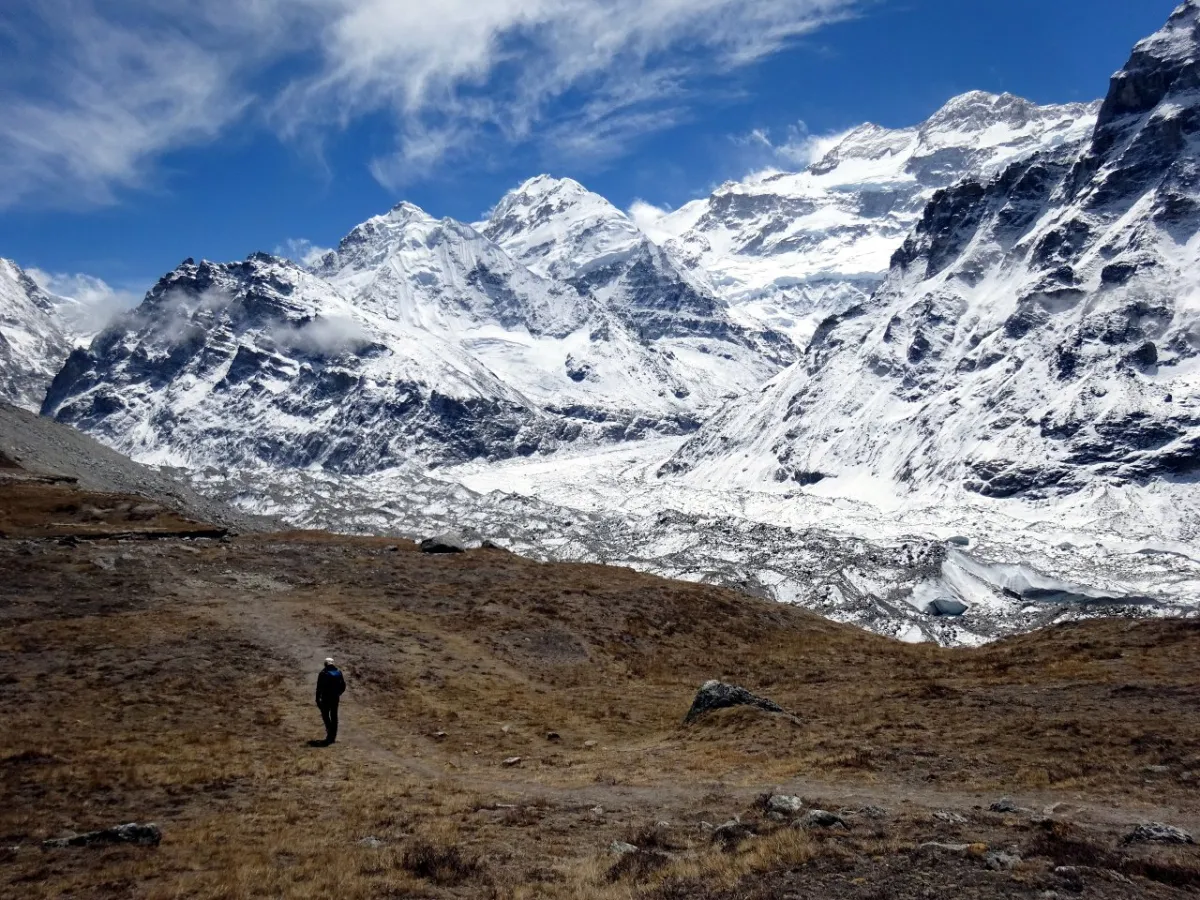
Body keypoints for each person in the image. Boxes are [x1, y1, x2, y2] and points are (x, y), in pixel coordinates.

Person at [315, 658, 346, 744]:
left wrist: (317, 699)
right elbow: (343, 686)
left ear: (325, 664)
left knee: (325, 715)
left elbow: (319, 688)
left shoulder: (323, 673)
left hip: (326, 698)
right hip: (335, 698)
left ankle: (330, 732)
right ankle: (333, 736)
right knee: (334, 716)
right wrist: (338, 694)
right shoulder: (339, 672)